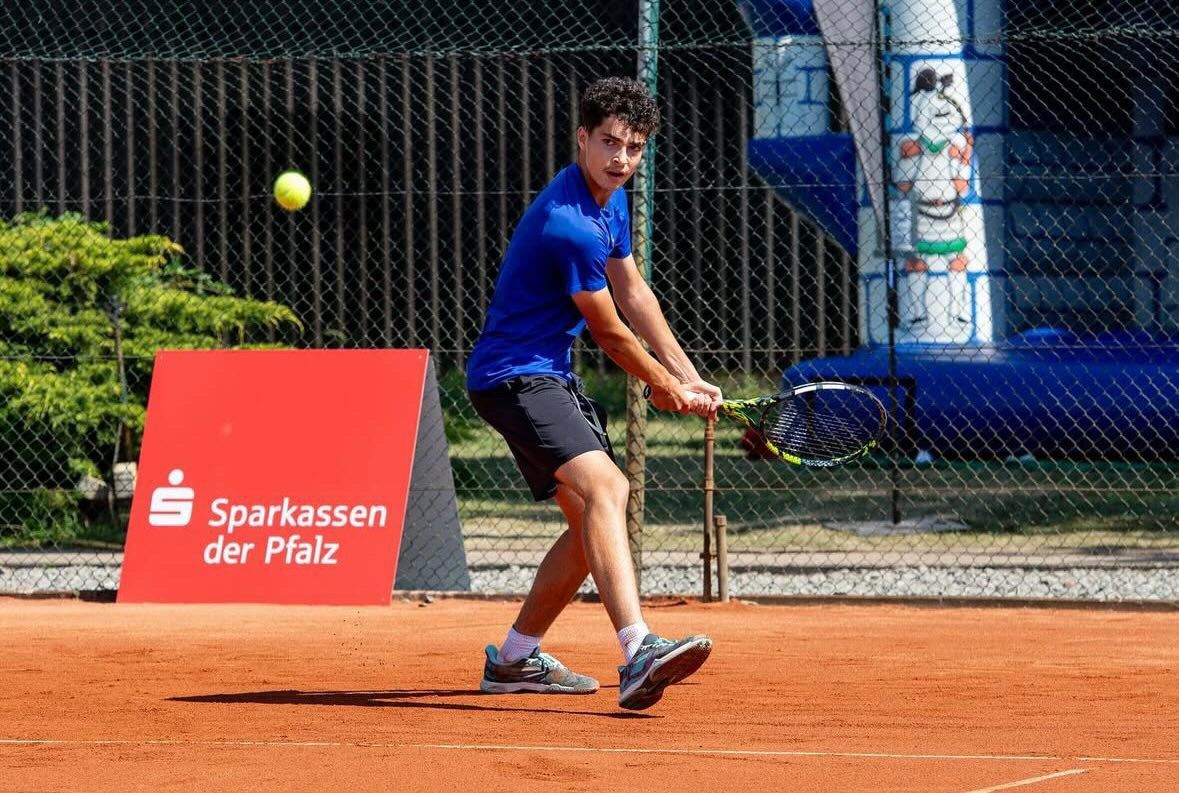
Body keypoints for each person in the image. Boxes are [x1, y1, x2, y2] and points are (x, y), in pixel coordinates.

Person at [466, 76, 721, 711]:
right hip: (514, 375)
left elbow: (634, 293)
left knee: (590, 524)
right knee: (609, 489)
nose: (621, 159)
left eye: (634, 148)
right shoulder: (570, 224)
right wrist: (664, 387)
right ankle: (638, 652)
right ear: (583, 138)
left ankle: (515, 659)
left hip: (543, 372)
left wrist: (685, 376)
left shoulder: (610, 201)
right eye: (609, 143)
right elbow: (609, 332)